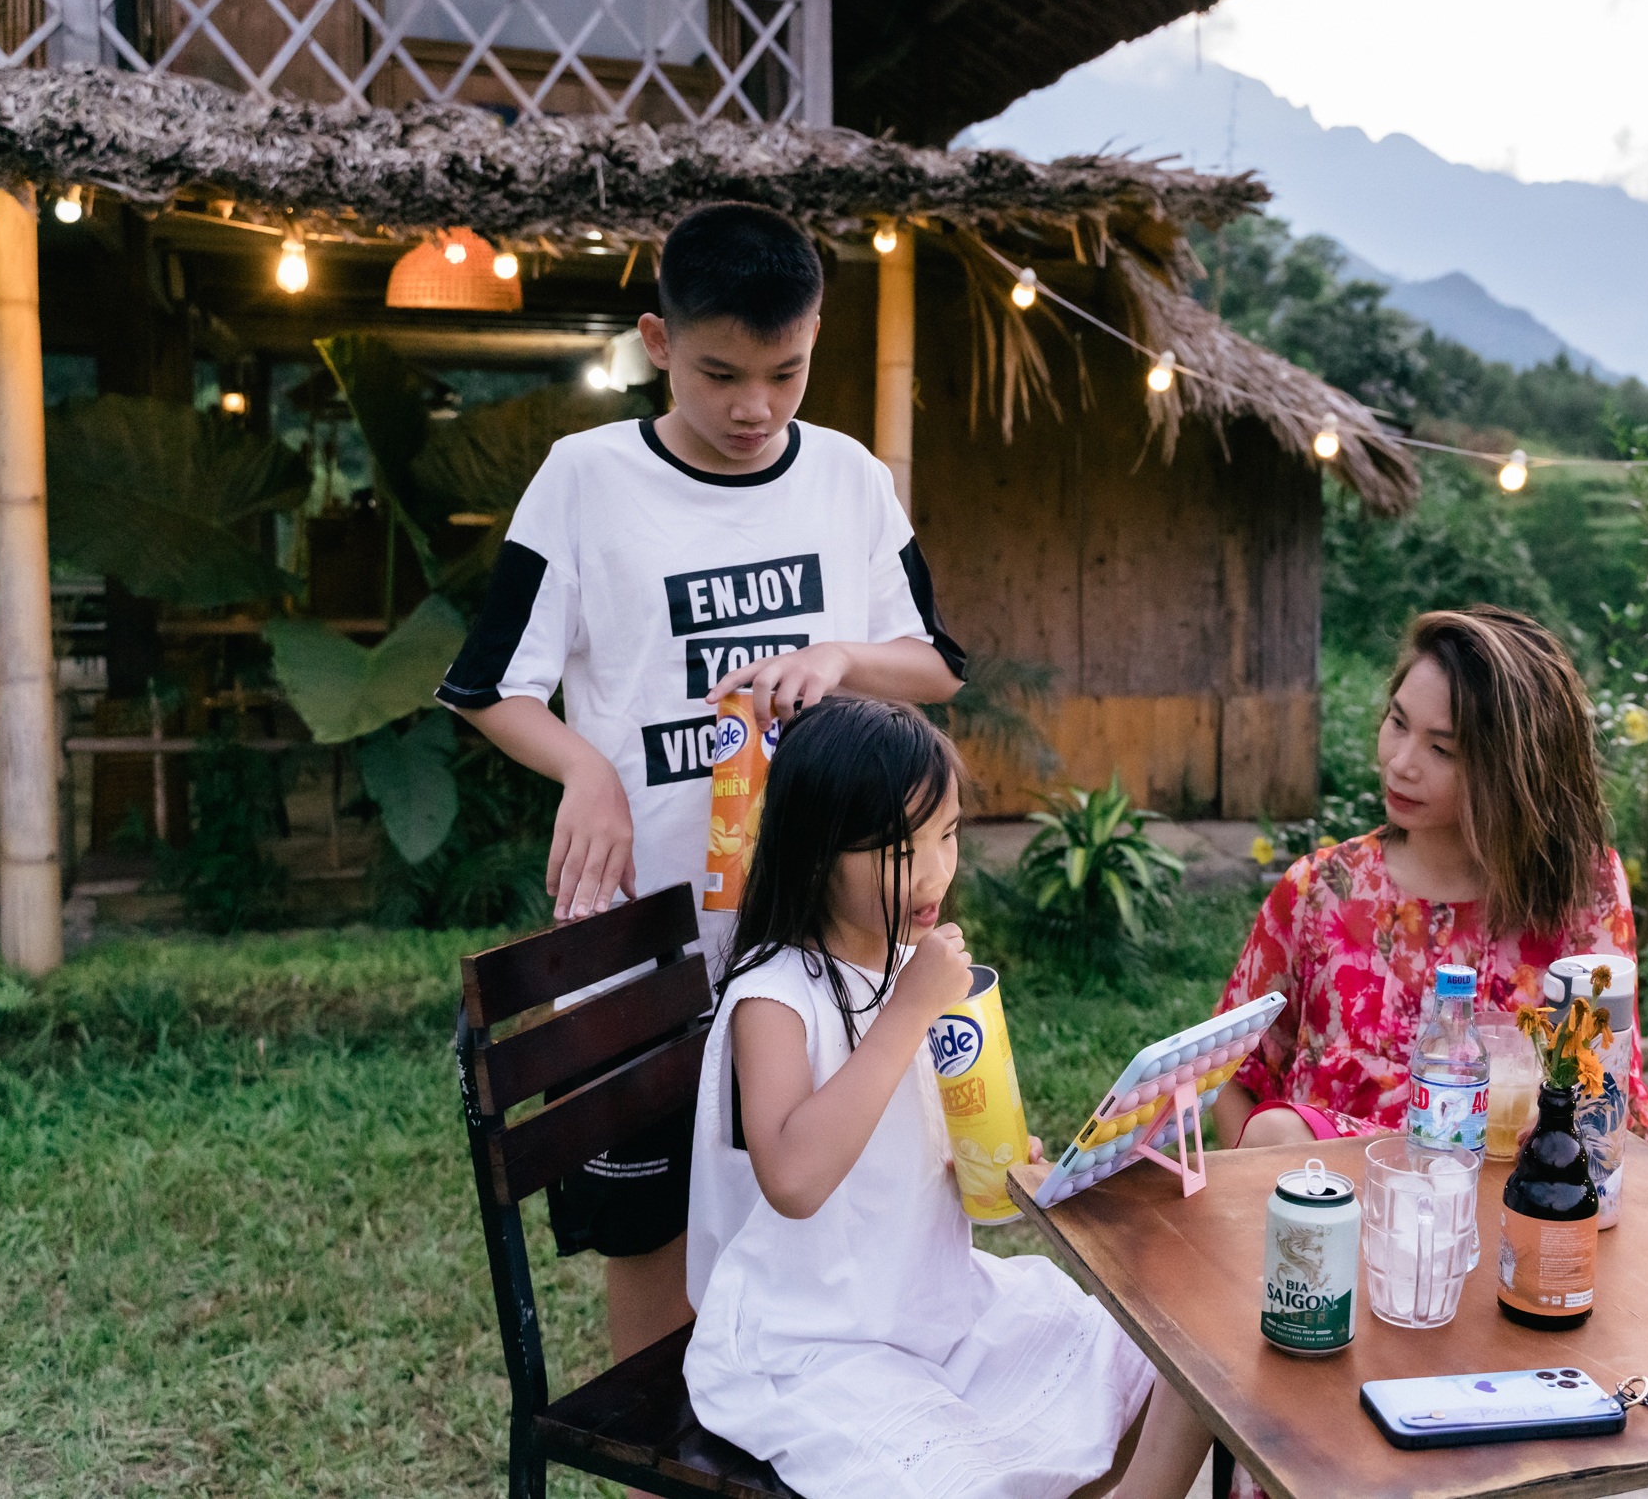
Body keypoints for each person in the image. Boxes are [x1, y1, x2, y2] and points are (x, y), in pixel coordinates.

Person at [438, 201, 967, 1383]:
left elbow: (933, 661)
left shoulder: (847, 479)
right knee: (652, 1232)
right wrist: (586, 767)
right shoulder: (585, 479)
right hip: (649, 938)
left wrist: (838, 659)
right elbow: (484, 685)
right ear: (657, 340)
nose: (754, 409)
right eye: (722, 373)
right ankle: (669, 1448)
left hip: (818, 934)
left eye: (786, 373)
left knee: (819, 1205)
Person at [685, 696, 1210, 1499]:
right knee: (955, 1478)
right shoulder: (774, 996)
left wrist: (989, 1161)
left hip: (931, 1306)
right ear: (818, 852)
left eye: (950, 835)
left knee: (1156, 1350)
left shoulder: (907, 967)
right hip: (812, 1345)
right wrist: (911, 1010)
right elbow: (793, 1179)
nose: (935, 872)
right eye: (901, 849)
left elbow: (908, 1137)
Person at [1210, 606, 1648, 1149]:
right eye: (1397, 723)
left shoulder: (1583, 894)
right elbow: (1232, 1071)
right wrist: (1259, 1199)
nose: (1401, 762)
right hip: (1330, 1208)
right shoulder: (1322, 890)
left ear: (1510, 770)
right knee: (1276, 1130)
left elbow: (1613, 1102)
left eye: (1441, 749)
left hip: (1502, 1209)